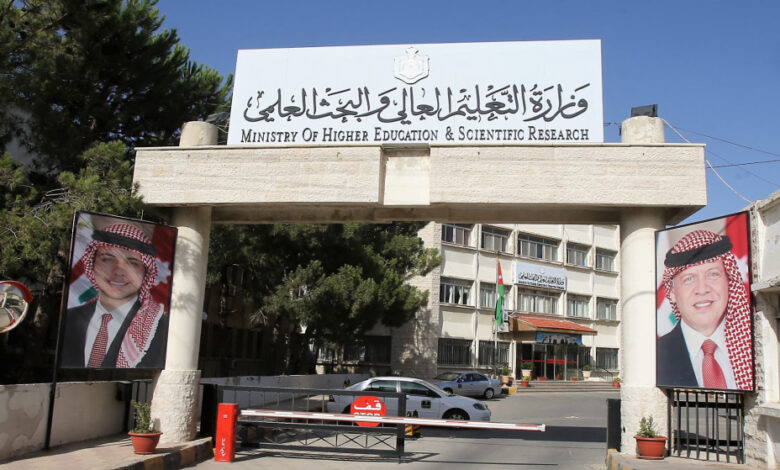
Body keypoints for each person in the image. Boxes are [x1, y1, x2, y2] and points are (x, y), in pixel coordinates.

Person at [60, 223, 168, 369]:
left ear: (146, 272)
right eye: (107, 259)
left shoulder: (162, 327)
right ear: (92, 264)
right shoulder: (69, 318)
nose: (118, 271)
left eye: (132, 263)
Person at [657, 229, 753, 390]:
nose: (702, 289)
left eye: (713, 274)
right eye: (689, 279)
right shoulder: (655, 355)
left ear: (729, 281)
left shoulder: (756, 347)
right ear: (672, 293)